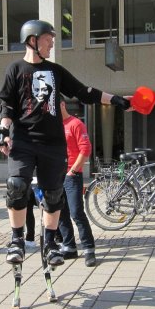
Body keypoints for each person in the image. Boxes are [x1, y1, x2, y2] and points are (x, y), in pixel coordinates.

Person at [0, 19, 131, 267]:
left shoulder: (55, 71)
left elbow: (84, 92)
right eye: (48, 40)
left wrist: (116, 100)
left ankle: (50, 244)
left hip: (52, 143)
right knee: (16, 185)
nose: (51, 45)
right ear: (33, 40)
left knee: (53, 194)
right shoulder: (15, 69)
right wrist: (3, 131)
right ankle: (16, 240)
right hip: (23, 140)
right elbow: (7, 104)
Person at [58, 100, 97, 267]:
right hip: (56, 175)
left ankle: (89, 249)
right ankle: (69, 247)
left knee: (76, 213)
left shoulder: (75, 123)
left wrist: (73, 171)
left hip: (72, 176)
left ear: (62, 104)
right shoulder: (52, 127)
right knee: (60, 212)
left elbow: (86, 149)